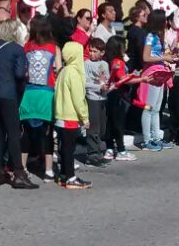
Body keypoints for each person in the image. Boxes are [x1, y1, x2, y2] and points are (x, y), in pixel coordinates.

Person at [0, 19, 35, 189]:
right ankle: (18, 172)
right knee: (13, 133)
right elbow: (20, 74)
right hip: (8, 94)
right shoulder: (17, 49)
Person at [19, 16, 59, 177]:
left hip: (28, 93)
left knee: (26, 133)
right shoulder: (53, 48)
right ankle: (49, 169)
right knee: (48, 132)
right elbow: (58, 69)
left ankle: (22, 167)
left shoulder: (26, 47)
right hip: (47, 93)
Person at [53, 40, 91, 189]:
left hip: (60, 116)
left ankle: (63, 175)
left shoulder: (63, 71)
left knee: (63, 148)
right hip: (70, 117)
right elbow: (78, 98)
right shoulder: (74, 73)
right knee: (69, 149)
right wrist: (85, 117)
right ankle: (71, 178)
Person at [103, 35, 140, 160]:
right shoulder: (117, 62)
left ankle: (109, 148)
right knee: (119, 124)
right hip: (118, 95)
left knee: (110, 123)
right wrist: (141, 78)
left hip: (109, 95)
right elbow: (123, 79)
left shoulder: (108, 60)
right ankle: (121, 150)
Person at [140, 10, 172, 150]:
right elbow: (146, 57)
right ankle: (147, 141)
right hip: (152, 74)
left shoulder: (158, 36)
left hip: (160, 73)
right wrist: (164, 58)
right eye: (164, 19)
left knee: (157, 108)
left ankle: (156, 138)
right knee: (149, 108)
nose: (166, 22)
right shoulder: (150, 37)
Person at [81, 37, 111, 164]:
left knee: (101, 128)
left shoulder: (104, 64)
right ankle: (92, 155)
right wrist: (99, 86)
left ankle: (98, 152)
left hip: (102, 98)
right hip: (92, 98)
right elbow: (85, 83)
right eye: (91, 51)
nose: (92, 54)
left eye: (95, 51)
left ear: (102, 53)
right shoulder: (86, 64)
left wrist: (106, 85)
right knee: (93, 128)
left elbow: (106, 79)